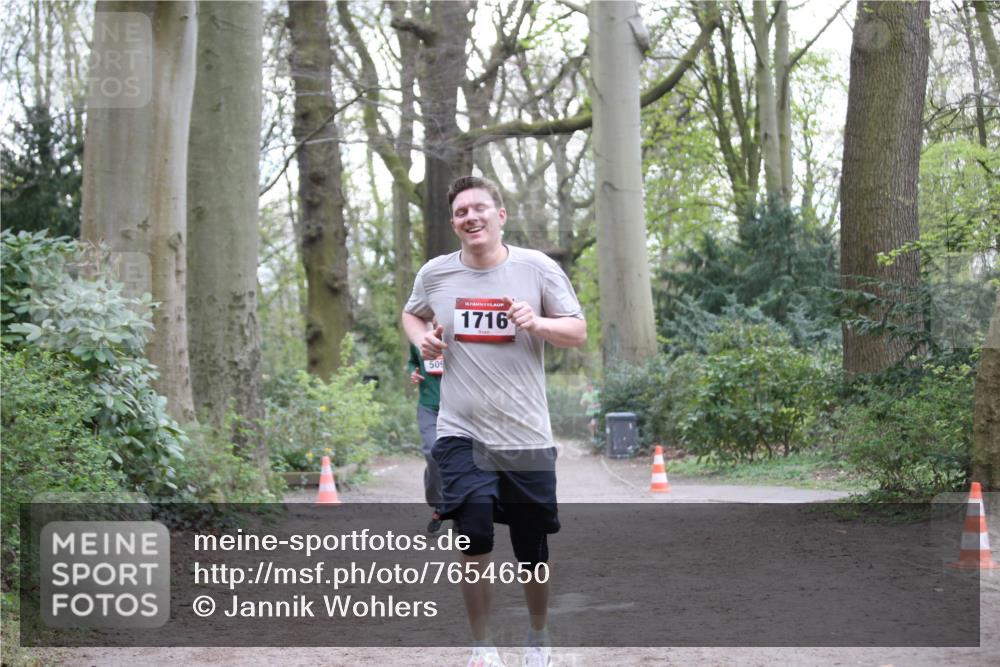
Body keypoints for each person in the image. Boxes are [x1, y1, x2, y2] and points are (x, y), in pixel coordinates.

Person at [402, 176, 586, 667]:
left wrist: (539, 323)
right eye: (461, 212)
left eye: (480, 208)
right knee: (475, 532)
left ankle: (537, 638)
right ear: (454, 222)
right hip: (460, 429)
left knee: (531, 548)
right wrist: (424, 340)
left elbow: (577, 330)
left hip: (525, 433)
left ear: (500, 215)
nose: (471, 217)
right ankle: (482, 647)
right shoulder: (436, 275)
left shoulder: (537, 268)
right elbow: (411, 314)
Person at [408, 340, 444, 532]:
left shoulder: (459, 330)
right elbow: (412, 361)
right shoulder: (417, 335)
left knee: (460, 456)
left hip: (458, 407)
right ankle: (439, 503)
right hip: (428, 406)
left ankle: (460, 508)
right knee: (433, 452)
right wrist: (413, 372)